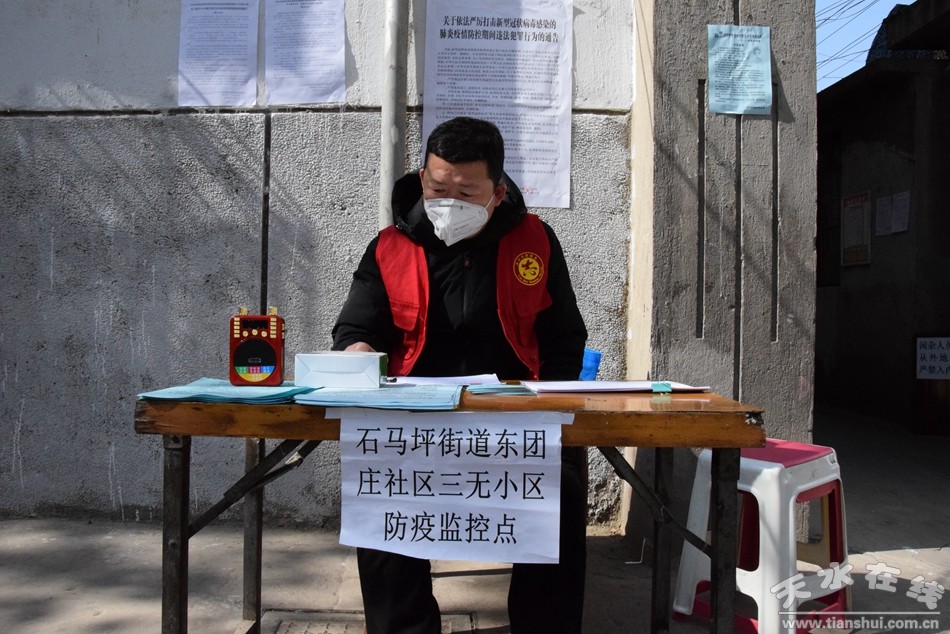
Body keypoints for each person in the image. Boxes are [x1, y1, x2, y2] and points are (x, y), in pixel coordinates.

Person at [332, 116, 588, 634]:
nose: (449, 201)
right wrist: (358, 350)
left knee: (560, 494)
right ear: (421, 177)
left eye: (467, 192)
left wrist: (546, 409)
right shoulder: (390, 247)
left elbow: (564, 339)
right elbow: (354, 327)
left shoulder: (535, 241)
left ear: (497, 192)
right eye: (437, 187)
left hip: (514, 424)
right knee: (376, 493)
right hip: (413, 428)